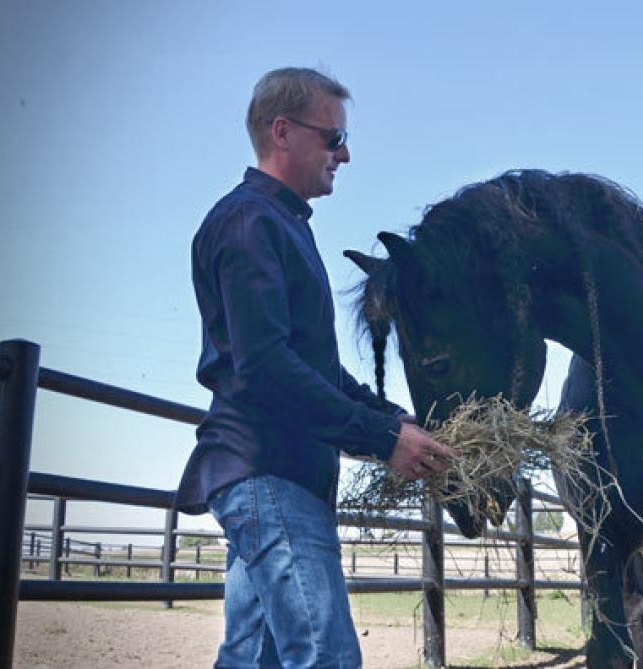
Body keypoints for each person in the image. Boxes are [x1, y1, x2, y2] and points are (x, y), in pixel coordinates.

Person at [175, 67, 456, 667]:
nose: (345, 154)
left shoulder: (279, 225)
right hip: (267, 470)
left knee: (256, 657)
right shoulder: (251, 223)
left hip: (279, 473)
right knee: (325, 655)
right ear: (282, 132)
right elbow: (267, 368)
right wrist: (383, 439)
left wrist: (395, 418)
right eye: (333, 138)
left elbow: (315, 371)